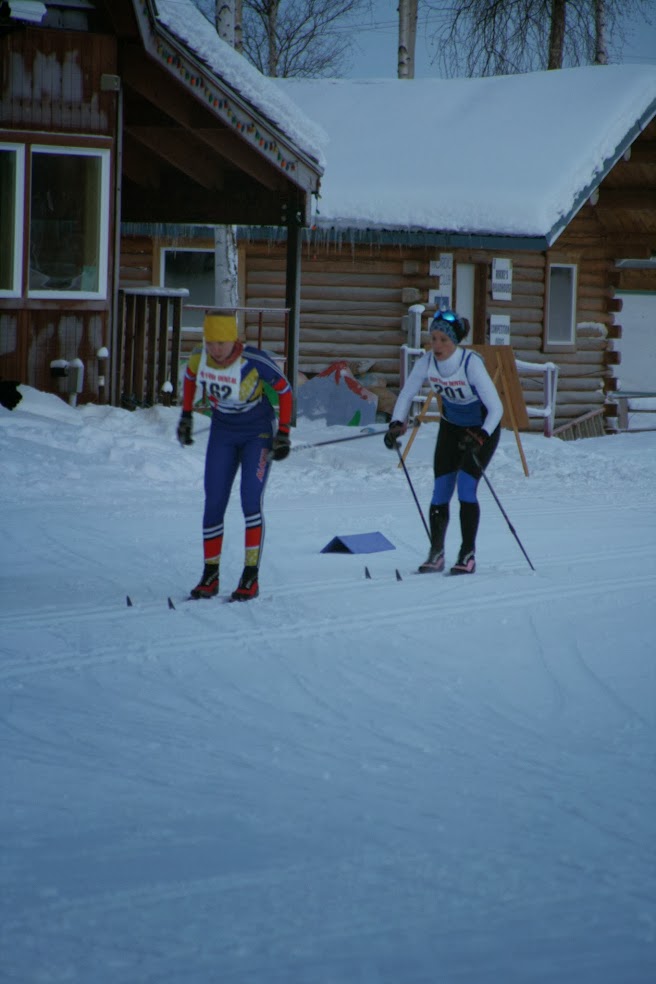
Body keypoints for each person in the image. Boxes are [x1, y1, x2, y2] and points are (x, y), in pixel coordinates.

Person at [177, 312, 292, 601]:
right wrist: (186, 416)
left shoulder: (253, 360)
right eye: (210, 342)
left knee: (250, 501)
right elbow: (190, 379)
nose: (215, 349)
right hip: (223, 433)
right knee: (214, 501)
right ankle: (210, 576)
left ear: (234, 340)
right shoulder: (199, 357)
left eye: (221, 343)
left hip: (257, 432)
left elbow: (285, 389)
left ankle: (250, 577)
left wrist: (284, 433)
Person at [384, 310, 503, 575]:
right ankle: (436, 553)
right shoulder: (427, 362)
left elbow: (496, 409)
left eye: (443, 340)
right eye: (433, 339)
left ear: (455, 342)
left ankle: (467, 554)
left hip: (482, 429)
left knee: (466, 489)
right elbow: (406, 394)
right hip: (451, 428)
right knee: (440, 491)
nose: (436, 345)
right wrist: (396, 424)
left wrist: (481, 436)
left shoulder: (470, 363)